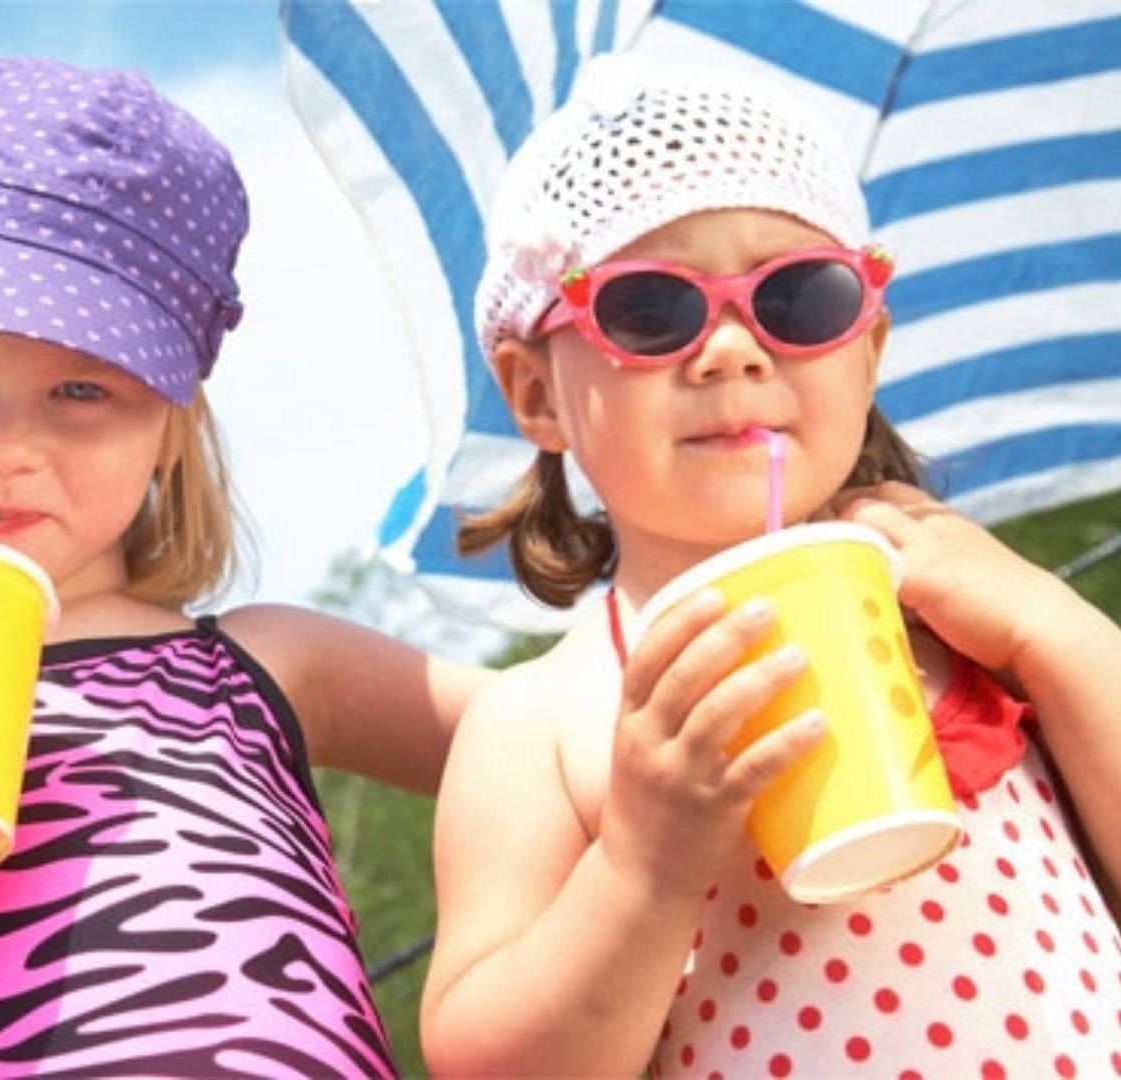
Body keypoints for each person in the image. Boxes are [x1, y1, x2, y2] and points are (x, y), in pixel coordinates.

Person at [0, 56, 487, 1077]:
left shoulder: (268, 663)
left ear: (173, 428)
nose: (5, 446)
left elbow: (544, 745)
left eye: (82, 393)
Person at [418, 56, 1121, 1077]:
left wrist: (1053, 628)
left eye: (799, 297)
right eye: (651, 310)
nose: (735, 350)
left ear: (868, 348)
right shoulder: (542, 721)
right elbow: (491, 1063)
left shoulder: (966, 611)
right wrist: (643, 871)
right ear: (536, 394)